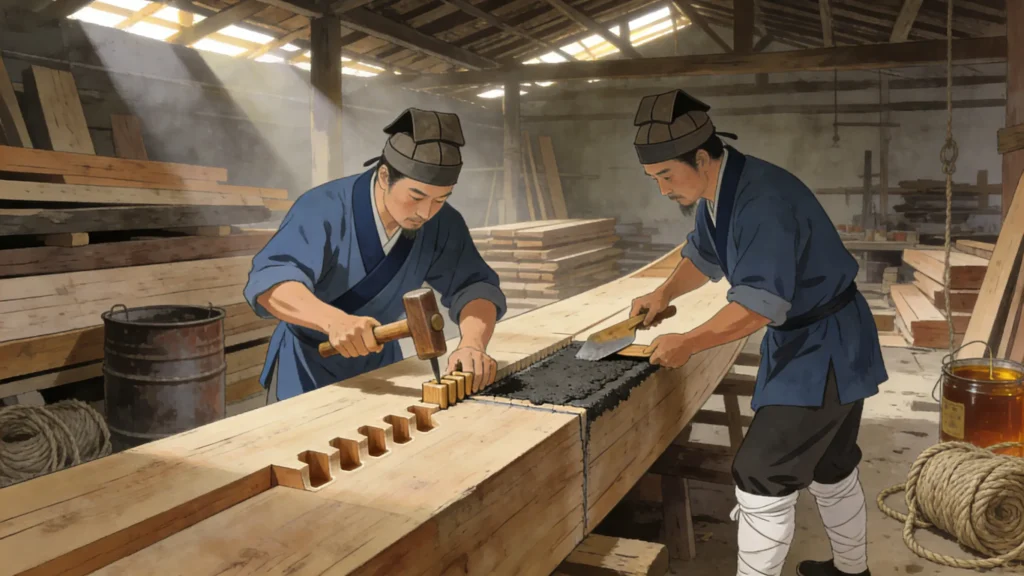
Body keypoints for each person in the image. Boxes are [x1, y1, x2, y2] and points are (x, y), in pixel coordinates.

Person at [629, 89, 887, 576]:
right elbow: (702, 257)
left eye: (666, 174)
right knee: (831, 463)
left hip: (824, 344)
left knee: (761, 472)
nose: (662, 189)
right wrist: (665, 295)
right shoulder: (717, 192)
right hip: (815, 336)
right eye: (653, 178)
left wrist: (688, 342)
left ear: (702, 157)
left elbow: (758, 307)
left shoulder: (760, 200)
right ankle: (853, 572)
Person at [244, 108, 506, 403]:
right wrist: (334, 322)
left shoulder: (443, 222)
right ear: (384, 175)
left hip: (381, 363)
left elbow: (474, 286)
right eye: (416, 197)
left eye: (441, 199)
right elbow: (272, 280)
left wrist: (472, 344)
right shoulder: (322, 207)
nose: (425, 212)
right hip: (309, 362)